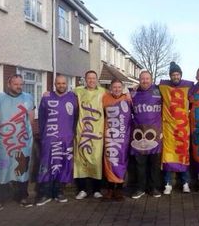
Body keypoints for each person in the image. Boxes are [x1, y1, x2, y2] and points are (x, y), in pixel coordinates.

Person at [0, 74, 35, 213]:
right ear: (9, 84)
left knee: (22, 168)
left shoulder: (28, 98)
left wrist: (21, 134)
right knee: (2, 169)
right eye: (16, 84)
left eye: (21, 84)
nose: (19, 87)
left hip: (22, 140)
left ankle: (22, 197)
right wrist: (5, 134)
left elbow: (31, 120)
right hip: (5, 142)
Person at [36, 75, 77, 205]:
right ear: (54, 84)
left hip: (66, 138)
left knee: (62, 165)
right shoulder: (46, 98)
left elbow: (76, 118)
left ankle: (59, 192)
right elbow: (41, 118)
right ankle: (45, 193)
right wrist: (43, 135)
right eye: (58, 83)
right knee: (46, 164)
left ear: (67, 84)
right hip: (50, 138)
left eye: (63, 83)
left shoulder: (73, 98)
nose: (61, 85)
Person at [159, 61, 194, 194]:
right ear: (170, 76)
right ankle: (167, 184)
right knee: (168, 155)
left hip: (182, 128)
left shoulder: (188, 86)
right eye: (173, 74)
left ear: (181, 75)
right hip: (168, 128)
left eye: (177, 74)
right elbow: (149, 87)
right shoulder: (163, 86)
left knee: (183, 154)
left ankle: (185, 182)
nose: (175, 77)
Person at [130, 71, 163, 199]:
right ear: (139, 80)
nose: (145, 81)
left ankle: (154, 188)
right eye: (142, 79)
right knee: (140, 164)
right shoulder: (133, 93)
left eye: (147, 78)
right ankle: (140, 188)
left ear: (152, 79)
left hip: (155, 134)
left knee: (154, 164)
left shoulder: (159, 92)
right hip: (138, 134)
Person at [74, 70, 106, 199]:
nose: (91, 80)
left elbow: (118, 94)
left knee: (96, 160)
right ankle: (82, 189)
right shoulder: (78, 91)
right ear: (85, 79)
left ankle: (96, 189)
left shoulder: (103, 92)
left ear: (97, 79)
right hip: (82, 132)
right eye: (89, 78)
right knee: (80, 159)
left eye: (93, 78)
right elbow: (63, 94)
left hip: (97, 132)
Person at [102, 79, 132, 201]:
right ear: (110, 88)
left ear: (122, 88)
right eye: (114, 87)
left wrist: (130, 92)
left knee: (121, 162)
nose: (117, 89)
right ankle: (110, 189)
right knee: (109, 161)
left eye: (119, 87)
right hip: (110, 136)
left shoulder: (128, 98)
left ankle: (119, 189)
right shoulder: (104, 98)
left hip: (123, 137)